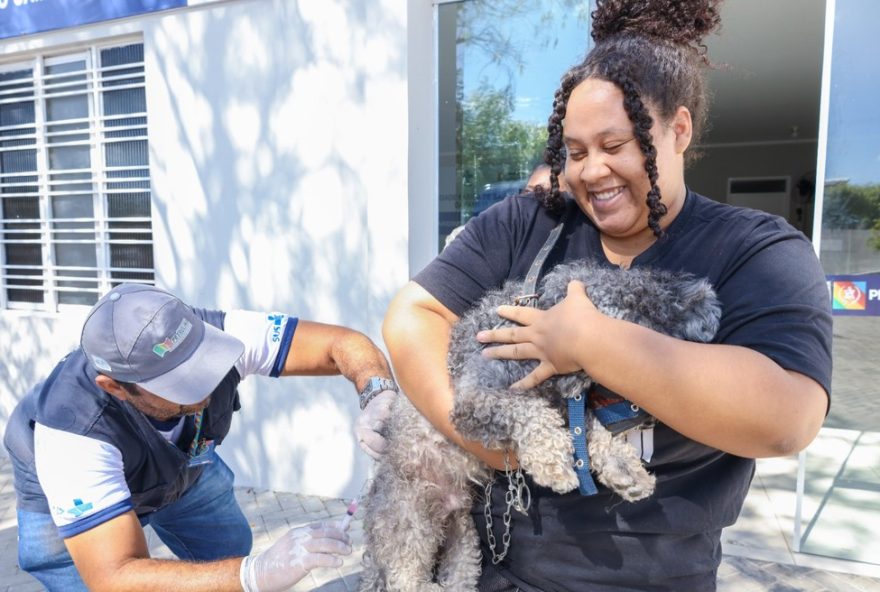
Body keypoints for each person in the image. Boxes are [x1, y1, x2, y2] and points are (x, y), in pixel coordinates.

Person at [382, 0, 832, 590]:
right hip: (499, 569)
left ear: (678, 129)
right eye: (575, 152)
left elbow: (787, 418)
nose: (592, 171)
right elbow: (412, 315)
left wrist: (590, 343)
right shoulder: (528, 224)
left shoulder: (754, 250)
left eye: (616, 145)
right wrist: (482, 440)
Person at [3, 283, 398, 592]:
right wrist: (257, 574)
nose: (203, 386)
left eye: (201, 361)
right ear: (116, 387)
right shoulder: (72, 435)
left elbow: (342, 344)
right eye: (177, 383)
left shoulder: (218, 331)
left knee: (227, 552)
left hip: (184, 469)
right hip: (66, 502)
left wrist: (377, 393)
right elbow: (115, 575)